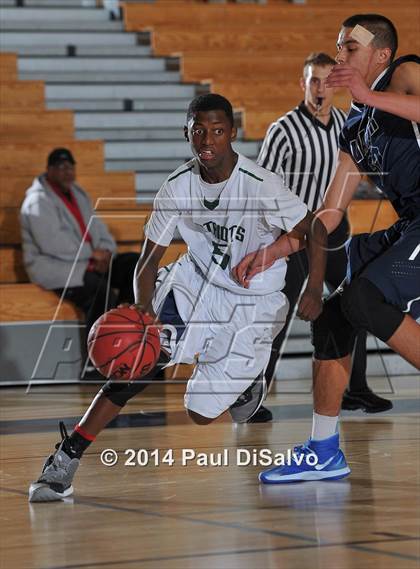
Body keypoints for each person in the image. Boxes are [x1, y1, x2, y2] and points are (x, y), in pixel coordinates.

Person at [28, 94, 328, 502]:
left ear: (233, 133)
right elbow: (147, 262)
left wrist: (312, 288)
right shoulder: (177, 186)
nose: (208, 139)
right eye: (199, 130)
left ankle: (243, 385)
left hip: (253, 300)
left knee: (200, 413)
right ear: (186, 133)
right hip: (195, 281)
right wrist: (145, 312)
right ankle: (67, 459)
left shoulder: (260, 184)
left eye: (218, 130)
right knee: (135, 362)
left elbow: (319, 231)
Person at [234, 14, 420, 483]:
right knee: (336, 312)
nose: (341, 56)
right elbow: (330, 211)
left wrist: (367, 93)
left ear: (381, 53)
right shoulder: (355, 124)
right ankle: (323, 449)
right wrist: (277, 250)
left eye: (349, 48)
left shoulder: (405, 74)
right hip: (411, 227)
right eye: (337, 47)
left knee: (364, 298)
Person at [258, 51, 391, 415]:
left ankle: (357, 388)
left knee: (355, 299)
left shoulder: (348, 123)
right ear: (302, 84)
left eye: (326, 81)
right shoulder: (282, 129)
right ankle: (254, 395)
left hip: (334, 231)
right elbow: (263, 187)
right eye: (313, 80)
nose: (319, 88)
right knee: (279, 312)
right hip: (296, 234)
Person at [20, 148, 139, 376]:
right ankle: (97, 365)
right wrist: (91, 256)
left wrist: (105, 251)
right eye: (61, 168)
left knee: (132, 266)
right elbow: (53, 244)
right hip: (55, 266)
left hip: (88, 262)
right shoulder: (36, 201)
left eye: (70, 167)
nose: (67, 173)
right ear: (49, 170)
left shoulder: (78, 193)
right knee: (99, 292)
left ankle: (131, 348)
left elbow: (99, 229)